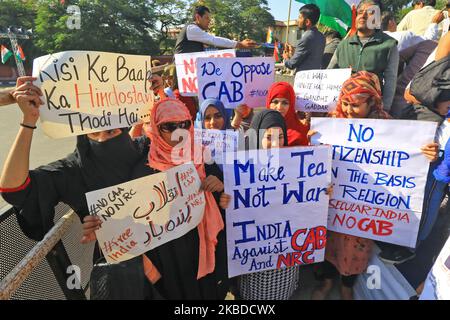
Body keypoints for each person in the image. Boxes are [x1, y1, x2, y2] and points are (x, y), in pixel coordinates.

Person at [83, 98, 233, 299]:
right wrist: (104, 227)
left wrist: (221, 190)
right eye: (169, 126)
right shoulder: (142, 171)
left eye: (184, 125)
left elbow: (223, 202)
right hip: (170, 262)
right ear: (156, 128)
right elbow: (128, 222)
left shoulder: (202, 157)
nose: (178, 132)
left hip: (204, 255)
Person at [310, 71, 438, 300]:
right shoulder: (332, 123)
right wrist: (312, 142)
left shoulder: (389, 127)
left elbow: (406, 157)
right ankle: (327, 281)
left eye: (356, 105)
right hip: (334, 204)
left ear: (373, 102)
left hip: (364, 210)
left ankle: (347, 285)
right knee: (328, 243)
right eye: (346, 103)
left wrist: (425, 152)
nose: (349, 110)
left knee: (356, 250)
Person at [238, 109, 301, 300]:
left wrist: (323, 192)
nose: (276, 144)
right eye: (269, 137)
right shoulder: (242, 168)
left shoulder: (297, 166)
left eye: (280, 137)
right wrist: (227, 201)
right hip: (257, 253)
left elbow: (307, 199)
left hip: (286, 248)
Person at [328, 0, 399, 112]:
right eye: (360, 12)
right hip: (344, 108)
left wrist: (384, 109)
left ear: (378, 19)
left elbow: (391, 80)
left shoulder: (389, 45)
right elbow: (329, 74)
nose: (363, 15)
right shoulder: (343, 45)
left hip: (371, 110)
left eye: (371, 12)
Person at [174, 5, 257, 54]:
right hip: (181, 72)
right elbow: (213, 40)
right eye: (207, 18)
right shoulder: (192, 29)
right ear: (198, 17)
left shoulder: (195, 31)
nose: (209, 21)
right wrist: (239, 44)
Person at [283, 4, 326, 74]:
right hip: (314, 78)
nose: (297, 20)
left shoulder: (306, 37)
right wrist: (295, 52)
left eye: (300, 18)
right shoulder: (321, 37)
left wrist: (285, 57)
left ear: (307, 22)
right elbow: (308, 58)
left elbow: (291, 64)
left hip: (303, 80)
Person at [266, 82, 309, 146]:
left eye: (285, 103)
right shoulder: (259, 127)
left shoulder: (303, 132)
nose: (279, 107)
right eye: (275, 102)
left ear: (291, 105)